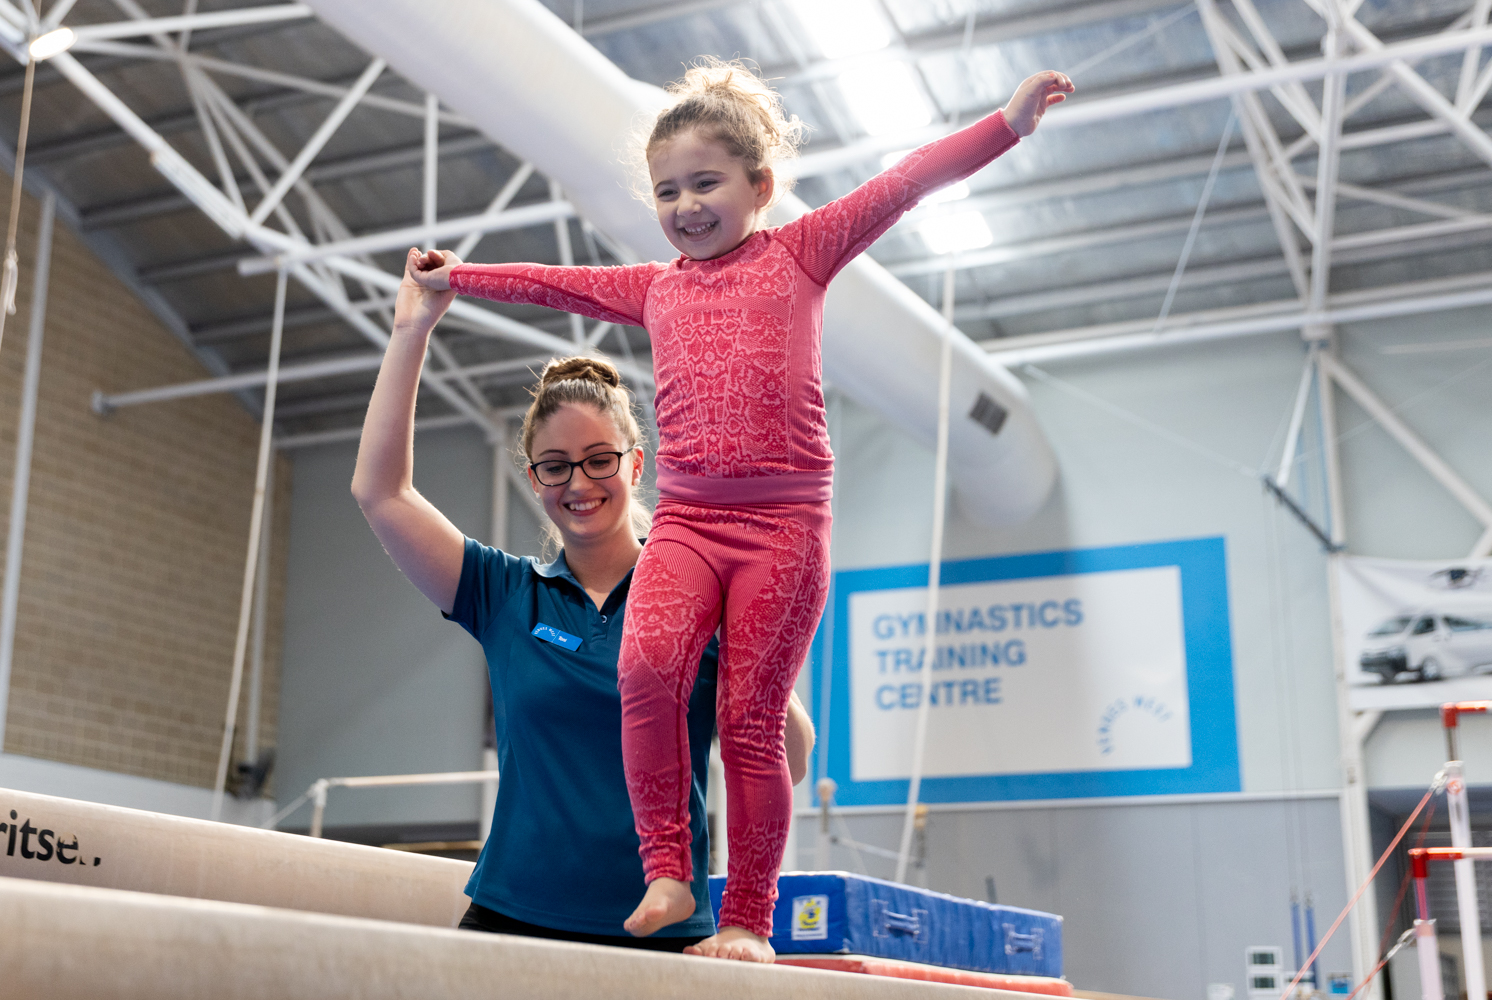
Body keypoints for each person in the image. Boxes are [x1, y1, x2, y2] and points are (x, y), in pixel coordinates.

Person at [409, 60, 1074, 961]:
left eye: (705, 183)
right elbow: (555, 283)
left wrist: (1007, 124)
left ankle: (749, 920)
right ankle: (668, 870)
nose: (684, 204)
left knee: (750, 723)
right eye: (666, 190)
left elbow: (904, 185)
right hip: (685, 522)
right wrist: (463, 278)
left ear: (760, 187)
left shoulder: (803, 252)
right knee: (645, 672)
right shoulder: (658, 287)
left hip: (783, 531)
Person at [350, 266, 815, 949]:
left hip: (664, 930)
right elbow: (381, 493)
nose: (579, 483)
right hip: (515, 916)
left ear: (636, 464)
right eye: (556, 466)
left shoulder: (700, 609)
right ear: (534, 478)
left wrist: (746, 632)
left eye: (600, 460)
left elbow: (792, 758)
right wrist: (411, 330)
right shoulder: (504, 594)